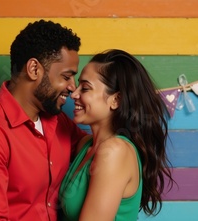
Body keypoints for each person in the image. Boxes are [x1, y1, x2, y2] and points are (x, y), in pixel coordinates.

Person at [0, 20, 89, 221]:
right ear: (33, 69)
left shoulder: (57, 120)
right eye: (66, 76)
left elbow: (92, 148)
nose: (72, 87)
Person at [59, 49, 175, 221]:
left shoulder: (115, 151)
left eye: (85, 88)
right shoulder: (85, 145)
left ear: (116, 100)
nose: (74, 94)